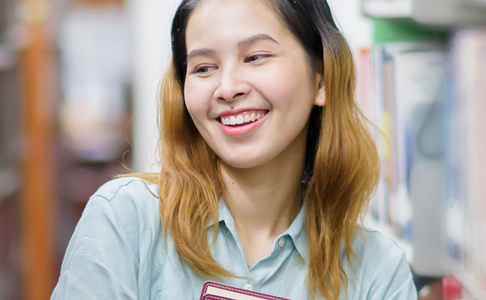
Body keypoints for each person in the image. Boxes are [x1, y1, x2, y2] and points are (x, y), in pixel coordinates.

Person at [51, 0, 418, 299]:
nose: (227, 88)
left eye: (255, 57)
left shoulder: (377, 273)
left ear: (320, 78)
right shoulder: (125, 220)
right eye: (204, 67)